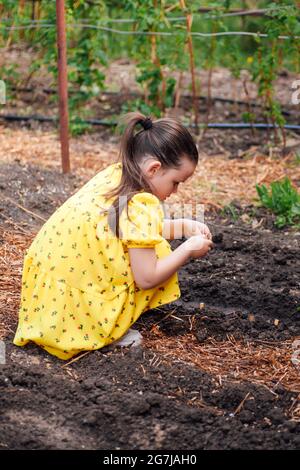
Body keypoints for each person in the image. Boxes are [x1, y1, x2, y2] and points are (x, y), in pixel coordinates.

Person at [13, 112, 213, 360]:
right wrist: (188, 250)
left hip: (46, 296)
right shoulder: (142, 203)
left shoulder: (116, 175)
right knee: (158, 251)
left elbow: (128, 229)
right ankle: (101, 327)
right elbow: (147, 278)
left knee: (147, 244)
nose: (175, 191)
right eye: (176, 182)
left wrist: (181, 226)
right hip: (74, 312)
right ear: (154, 169)